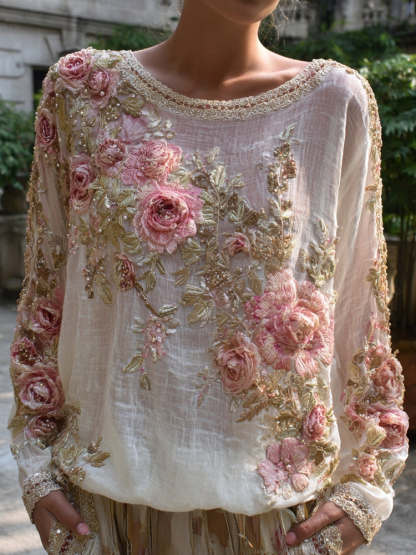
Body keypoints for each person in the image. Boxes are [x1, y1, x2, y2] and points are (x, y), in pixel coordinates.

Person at [8, 0, 409, 554]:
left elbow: (359, 309)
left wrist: (367, 487)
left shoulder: (335, 103)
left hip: (276, 526)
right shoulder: (80, 93)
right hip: (104, 520)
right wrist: (36, 466)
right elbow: (45, 299)